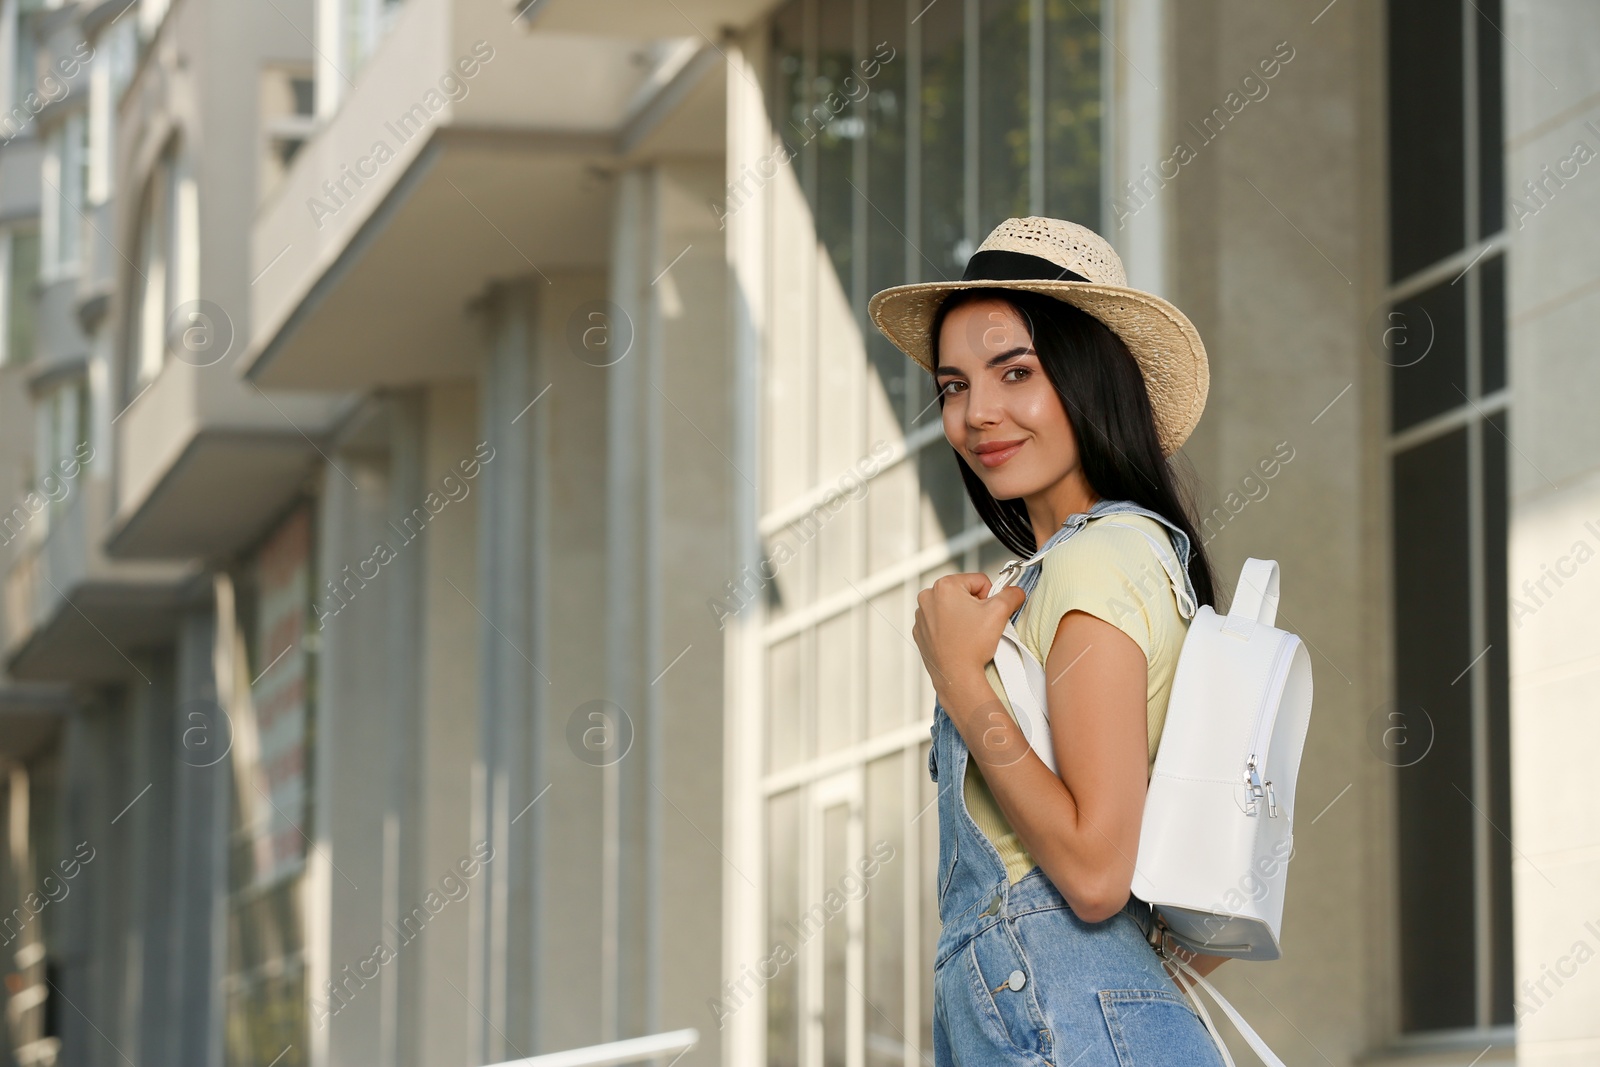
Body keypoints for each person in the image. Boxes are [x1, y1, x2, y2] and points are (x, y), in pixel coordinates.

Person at [868, 216, 1232, 1065]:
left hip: (1053, 1006)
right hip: (1063, 1009)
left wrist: (961, 677)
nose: (977, 413)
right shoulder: (1093, 564)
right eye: (953, 385)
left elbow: (1098, 873)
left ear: (1090, 378)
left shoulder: (1099, 557)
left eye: (1016, 373)